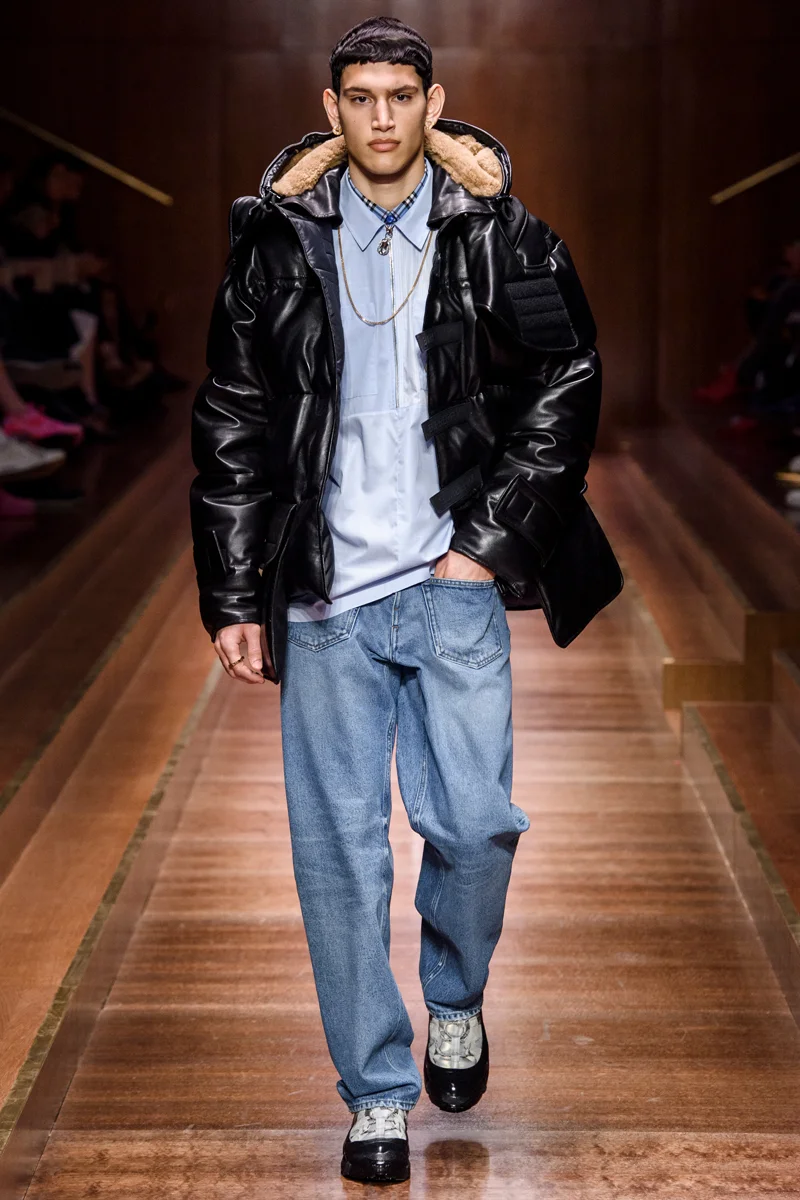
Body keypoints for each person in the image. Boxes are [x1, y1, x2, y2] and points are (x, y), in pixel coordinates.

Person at [190, 16, 622, 1186]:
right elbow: (232, 414)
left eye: (399, 95)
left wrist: (484, 548)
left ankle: (454, 995)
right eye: (359, 97)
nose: (380, 116)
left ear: (433, 105)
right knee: (337, 855)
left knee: (474, 826)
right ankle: (375, 1093)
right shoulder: (274, 243)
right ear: (330, 112)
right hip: (322, 592)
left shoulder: (503, 235)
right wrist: (233, 591)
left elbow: (566, 383)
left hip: (449, 583)